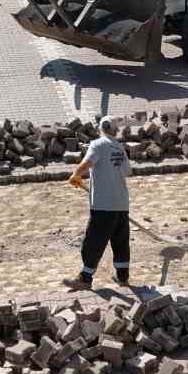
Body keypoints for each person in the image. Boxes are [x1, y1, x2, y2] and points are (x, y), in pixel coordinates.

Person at [64, 117, 131, 290]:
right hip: (121, 204)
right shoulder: (120, 148)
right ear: (115, 130)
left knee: (93, 242)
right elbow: (127, 172)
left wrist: (76, 174)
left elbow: (88, 163)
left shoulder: (98, 144)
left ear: (100, 129)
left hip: (103, 204)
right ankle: (122, 277)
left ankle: (85, 279)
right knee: (120, 242)